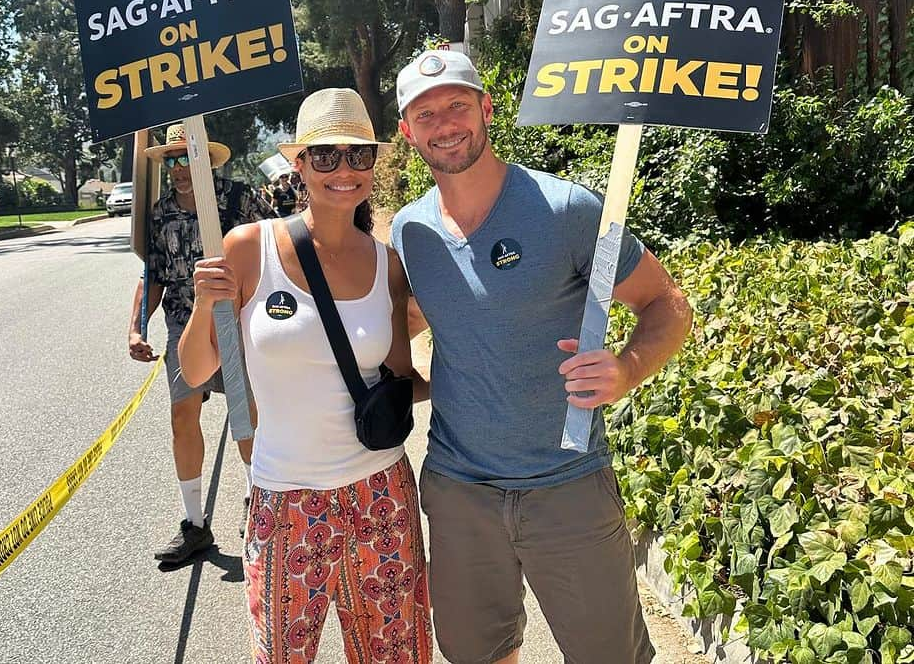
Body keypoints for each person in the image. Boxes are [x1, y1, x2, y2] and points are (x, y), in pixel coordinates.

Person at [390, 50, 694, 664]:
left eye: (456, 104)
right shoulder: (408, 233)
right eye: (425, 113)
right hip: (459, 490)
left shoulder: (566, 210)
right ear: (406, 131)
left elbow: (666, 303)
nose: (444, 123)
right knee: (478, 653)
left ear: (486, 108)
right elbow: (426, 328)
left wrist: (628, 369)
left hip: (568, 486)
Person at [179, 88, 433, 663]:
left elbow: (397, 382)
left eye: (358, 156)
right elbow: (196, 369)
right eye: (325, 156)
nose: (343, 170)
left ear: (374, 163)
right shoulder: (249, 250)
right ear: (299, 163)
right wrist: (204, 304)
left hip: (380, 495)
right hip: (286, 500)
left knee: (395, 654)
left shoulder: (387, 264)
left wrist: (466, 366)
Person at [127, 122, 273, 566]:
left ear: (206, 160)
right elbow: (153, 276)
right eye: (171, 159)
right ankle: (194, 524)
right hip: (183, 325)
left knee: (244, 418)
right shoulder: (160, 213)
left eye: (186, 157)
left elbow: (278, 247)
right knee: (182, 415)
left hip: (234, 324)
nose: (177, 168)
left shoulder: (238, 199)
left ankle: (259, 507)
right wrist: (136, 327)